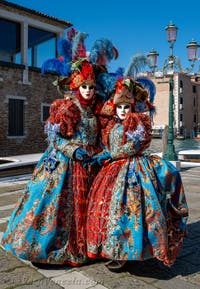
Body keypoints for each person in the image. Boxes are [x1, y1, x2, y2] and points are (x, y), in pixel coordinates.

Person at [1, 59, 102, 267]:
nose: (88, 91)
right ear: (75, 86)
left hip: (89, 165)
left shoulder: (96, 110)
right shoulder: (65, 107)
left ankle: (85, 247)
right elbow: (55, 138)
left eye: (92, 87)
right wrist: (73, 150)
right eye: (84, 86)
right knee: (53, 204)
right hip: (64, 164)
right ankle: (49, 248)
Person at [85, 77, 189, 272]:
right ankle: (112, 248)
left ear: (132, 107)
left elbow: (133, 146)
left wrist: (109, 155)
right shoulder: (113, 126)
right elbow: (110, 145)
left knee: (131, 209)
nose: (123, 111)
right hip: (112, 169)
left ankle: (132, 249)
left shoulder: (137, 123)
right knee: (108, 208)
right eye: (119, 107)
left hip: (133, 168)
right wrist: (104, 154)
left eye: (126, 107)